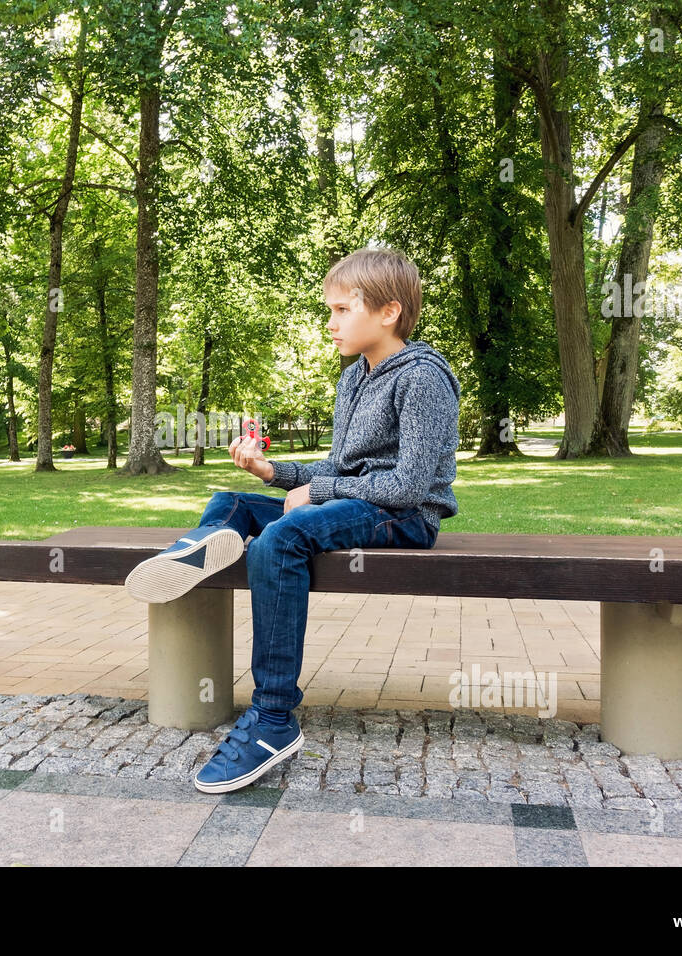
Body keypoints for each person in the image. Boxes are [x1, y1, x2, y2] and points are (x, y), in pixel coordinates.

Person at [124, 246, 461, 793]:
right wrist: (271, 470)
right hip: (354, 505)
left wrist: (317, 492)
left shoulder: (423, 377)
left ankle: (274, 718)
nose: (329, 324)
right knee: (230, 502)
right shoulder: (355, 379)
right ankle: (201, 546)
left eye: (340, 310)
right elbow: (337, 466)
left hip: (403, 519)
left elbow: (409, 485)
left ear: (388, 312)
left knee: (280, 540)